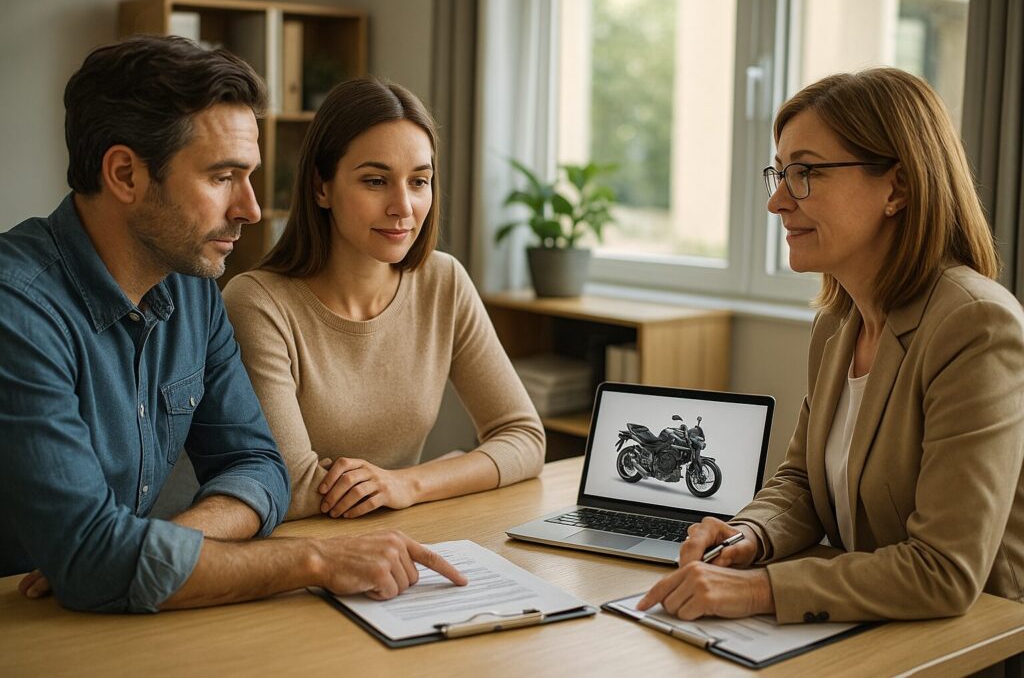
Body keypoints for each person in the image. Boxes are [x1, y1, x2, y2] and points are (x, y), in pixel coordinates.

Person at [0, 36, 465, 613]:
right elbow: (93, 562)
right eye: (223, 177)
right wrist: (316, 560)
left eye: (249, 177)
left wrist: (138, 552)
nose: (249, 207)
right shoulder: (15, 309)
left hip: (105, 615)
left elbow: (259, 468)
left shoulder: (194, 291)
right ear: (124, 174)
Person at [639, 67, 1024, 623]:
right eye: (779, 174)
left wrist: (758, 590)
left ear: (898, 186)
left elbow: (945, 570)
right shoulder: (836, 325)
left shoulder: (977, 326)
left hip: (970, 644)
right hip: (868, 624)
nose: (777, 204)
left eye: (807, 173)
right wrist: (750, 534)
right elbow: (803, 481)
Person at [222, 78, 545, 521]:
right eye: (375, 181)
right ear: (321, 187)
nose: (403, 207)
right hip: (298, 554)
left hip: (402, 534)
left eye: (419, 181)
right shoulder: (259, 303)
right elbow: (291, 487)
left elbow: (524, 438)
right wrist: (454, 468)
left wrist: (408, 483)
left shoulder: (443, 281)